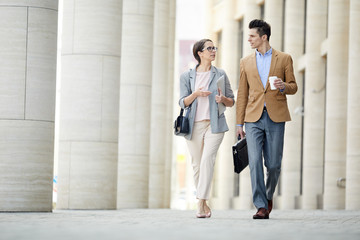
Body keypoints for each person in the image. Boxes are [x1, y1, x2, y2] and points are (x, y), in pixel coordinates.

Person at [236, 19, 298, 219]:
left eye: (252, 36)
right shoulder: (245, 62)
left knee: (273, 164)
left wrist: (282, 86)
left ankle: (268, 195)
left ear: (264, 37)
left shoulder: (284, 58)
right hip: (252, 118)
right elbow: (242, 94)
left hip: (275, 116)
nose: (249, 39)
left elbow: (293, 87)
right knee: (254, 162)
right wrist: (239, 123)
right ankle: (261, 205)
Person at [179, 39, 235, 218]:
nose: (213, 51)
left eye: (214, 48)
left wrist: (222, 100)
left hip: (215, 124)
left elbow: (231, 100)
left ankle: (200, 204)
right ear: (199, 53)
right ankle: (204, 202)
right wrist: (195, 94)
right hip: (194, 125)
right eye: (209, 48)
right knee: (196, 165)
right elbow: (182, 102)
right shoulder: (186, 76)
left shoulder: (220, 74)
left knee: (207, 160)